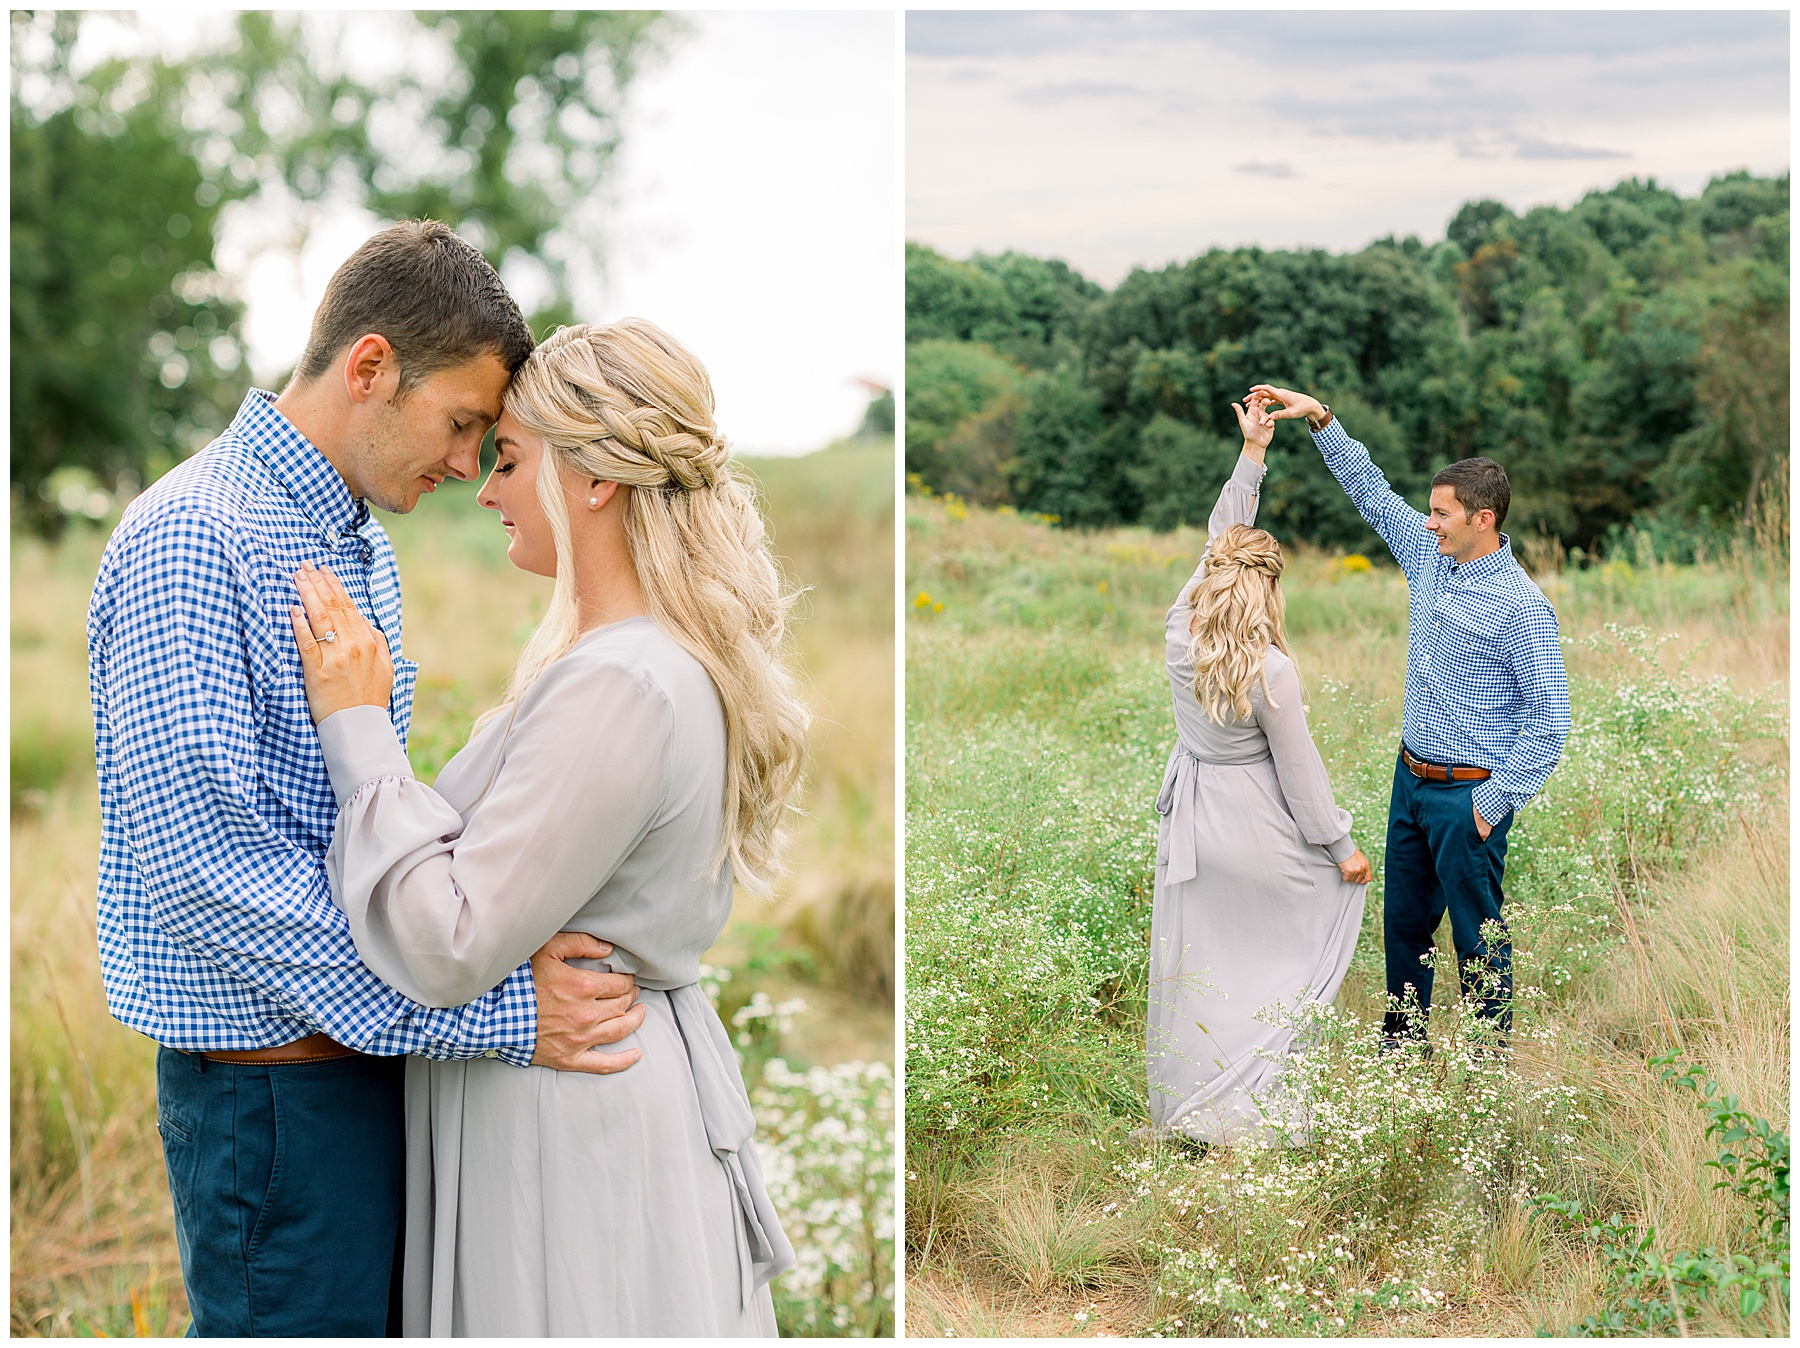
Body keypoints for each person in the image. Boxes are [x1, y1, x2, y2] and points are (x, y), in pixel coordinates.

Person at [87, 221, 646, 1338]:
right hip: (273, 1103)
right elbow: (211, 875)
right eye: (462, 424)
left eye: (489, 442)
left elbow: (355, 825)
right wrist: (491, 1004)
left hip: (371, 1070)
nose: (465, 464)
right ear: (371, 367)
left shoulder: (359, 547)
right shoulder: (191, 539)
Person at [287, 318, 809, 1335]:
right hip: (580, 1096)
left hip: (572, 1127)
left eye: (513, 460)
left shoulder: (621, 684)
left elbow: (450, 940)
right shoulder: (642, 660)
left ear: (596, 476)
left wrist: (356, 726)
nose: (484, 488)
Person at [1251, 383, 1571, 1051]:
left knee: (1477, 936)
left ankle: (1486, 1068)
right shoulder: (1430, 557)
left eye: (1442, 514)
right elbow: (1371, 492)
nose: (1428, 522)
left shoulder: (1522, 608)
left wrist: (1490, 805)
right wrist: (1321, 418)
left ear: (1483, 519)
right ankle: (1402, 1056)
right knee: (1402, 929)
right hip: (1411, 782)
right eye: (1429, 511)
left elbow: (1549, 723)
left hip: (1469, 793)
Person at [1145, 392, 1371, 1146]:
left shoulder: (1183, 628)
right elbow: (1303, 781)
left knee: (1203, 968)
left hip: (1193, 822)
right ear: (1270, 586)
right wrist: (1343, 850)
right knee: (1287, 957)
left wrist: (1253, 453)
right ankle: (1251, 1116)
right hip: (1253, 823)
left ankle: (1194, 1110)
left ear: (1212, 574)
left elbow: (1221, 538)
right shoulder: (1271, 670)